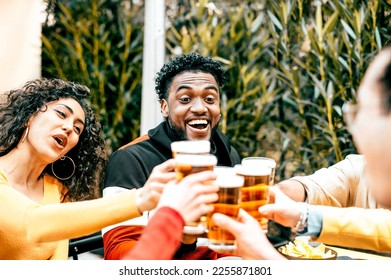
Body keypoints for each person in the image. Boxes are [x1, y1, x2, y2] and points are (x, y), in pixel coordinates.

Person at [0, 78, 218, 260]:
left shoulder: (56, 190)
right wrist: (141, 199)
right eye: (61, 114)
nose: (69, 129)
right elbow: (35, 224)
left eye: (78, 128)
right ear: (28, 115)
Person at [212, 46, 391, 258]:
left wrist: (266, 259)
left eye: (361, 111)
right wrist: (294, 208)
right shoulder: (359, 167)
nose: (356, 131)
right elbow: (317, 187)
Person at [103, 52, 241, 260]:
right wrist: (180, 235)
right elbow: (119, 257)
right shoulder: (131, 159)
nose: (200, 108)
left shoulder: (228, 154)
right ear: (165, 107)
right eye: (185, 99)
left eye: (210, 99)